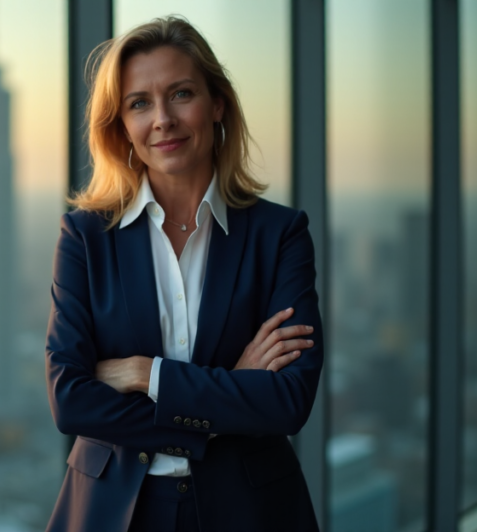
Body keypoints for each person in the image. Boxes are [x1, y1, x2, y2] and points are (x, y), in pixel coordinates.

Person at [44, 16, 323, 532]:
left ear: (217, 104)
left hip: (251, 510)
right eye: (139, 103)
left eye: (181, 93)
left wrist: (145, 375)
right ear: (121, 125)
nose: (163, 119)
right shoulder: (85, 238)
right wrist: (232, 394)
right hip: (112, 511)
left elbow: (287, 401)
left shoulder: (279, 234)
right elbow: (71, 401)